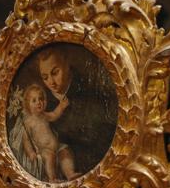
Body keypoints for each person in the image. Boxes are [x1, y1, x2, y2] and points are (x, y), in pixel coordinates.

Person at [35, 46, 117, 174]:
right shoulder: (41, 99)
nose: (51, 82)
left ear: (67, 63)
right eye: (45, 77)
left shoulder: (90, 90)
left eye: (55, 72)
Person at [20, 84, 81, 182]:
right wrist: (30, 152)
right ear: (27, 104)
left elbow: (54, 115)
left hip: (56, 147)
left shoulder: (44, 115)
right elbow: (26, 140)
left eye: (41, 99)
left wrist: (61, 106)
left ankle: (70, 174)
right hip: (43, 150)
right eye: (34, 100)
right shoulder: (28, 122)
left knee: (65, 151)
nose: (39, 102)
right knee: (49, 157)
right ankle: (52, 179)